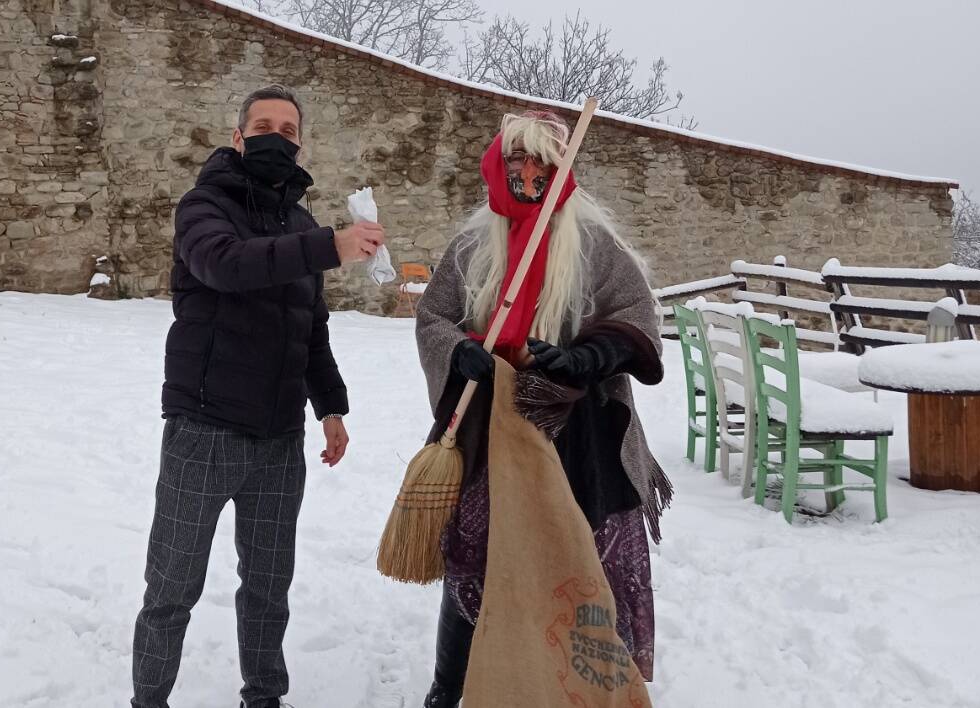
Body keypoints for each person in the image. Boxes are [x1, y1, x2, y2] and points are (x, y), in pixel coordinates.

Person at [131, 84, 386, 708]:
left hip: (278, 442)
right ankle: (148, 701)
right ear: (239, 138)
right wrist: (330, 246)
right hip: (204, 430)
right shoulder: (203, 207)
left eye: (289, 128)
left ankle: (265, 697)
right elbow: (226, 265)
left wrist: (330, 406)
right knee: (172, 586)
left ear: (300, 143)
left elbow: (311, 326)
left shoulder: (297, 224)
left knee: (270, 586)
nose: (277, 135)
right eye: (263, 125)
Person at [414, 111, 671, 707]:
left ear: (561, 170)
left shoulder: (593, 243)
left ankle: (583, 689)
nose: (529, 173)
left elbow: (638, 315)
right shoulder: (473, 245)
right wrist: (460, 353)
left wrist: (590, 356)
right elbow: (433, 318)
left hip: (582, 432)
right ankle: (450, 688)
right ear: (499, 168)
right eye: (517, 161)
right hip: (492, 425)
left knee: (584, 558)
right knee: (476, 555)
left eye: (542, 163)